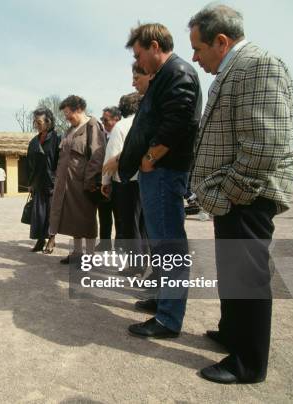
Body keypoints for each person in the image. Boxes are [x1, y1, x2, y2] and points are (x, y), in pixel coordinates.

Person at [188, 4, 293, 384]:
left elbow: (265, 145)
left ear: (221, 40)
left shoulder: (258, 64)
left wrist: (227, 191)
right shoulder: (235, 68)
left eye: (198, 48)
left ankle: (248, 363)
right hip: (235, 194)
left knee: (248, 276)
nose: (195, 57)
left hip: (247, 194)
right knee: (232, 270)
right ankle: (233, 332)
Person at [117, 23, 202, 338]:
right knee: (162, 243)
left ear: (154, 46)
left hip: (164, 172)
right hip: (158, 173)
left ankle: (168, 319)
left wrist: (150, 158)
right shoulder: (166, 77)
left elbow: (179, 122)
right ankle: (164, 302)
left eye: (139, 55)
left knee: (169, 245)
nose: (139, 62)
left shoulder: (178, 73)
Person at [44, 95, 106, 263]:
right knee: (73, 219)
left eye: (68, 113)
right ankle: (77, 254)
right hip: (66, 184)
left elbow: (97, 155)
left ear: (78, 109)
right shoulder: (70, 129)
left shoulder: (93, 126)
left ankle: (91, 256)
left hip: (84, 184)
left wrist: (90, 180)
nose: (67, 118)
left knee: (86, 219)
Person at [101, 93, 147, 277]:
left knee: (129, 225)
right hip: (145, 179)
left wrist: (105, 182)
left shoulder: (121, 127)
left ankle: (135, 266)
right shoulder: (146, 123)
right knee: (142, 224)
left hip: (125, 182)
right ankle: (144, 262)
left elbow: (111, 157)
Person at [26, 107, 61, 253]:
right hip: (38, 182)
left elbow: (60, 161)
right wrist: (30, 183)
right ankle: (41, 240)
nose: (37, 124)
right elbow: (29, 164)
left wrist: (58, 179)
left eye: (39, 121)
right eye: (35, 122)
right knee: (38, 213)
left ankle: (52, 239)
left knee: (52, 212)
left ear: (48, 121)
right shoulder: (34, 141)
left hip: (52, 182)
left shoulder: (57, 138)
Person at [96, 106, 121, 251]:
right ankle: (105, 243)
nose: (103, 123)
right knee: (104, 214)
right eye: (102, 120)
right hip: (103, 182)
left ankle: (120, 244)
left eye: (106, 120)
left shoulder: (124, 133)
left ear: (116, 119)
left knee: (119, 216)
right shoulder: (101, 137)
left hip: (118, 182)